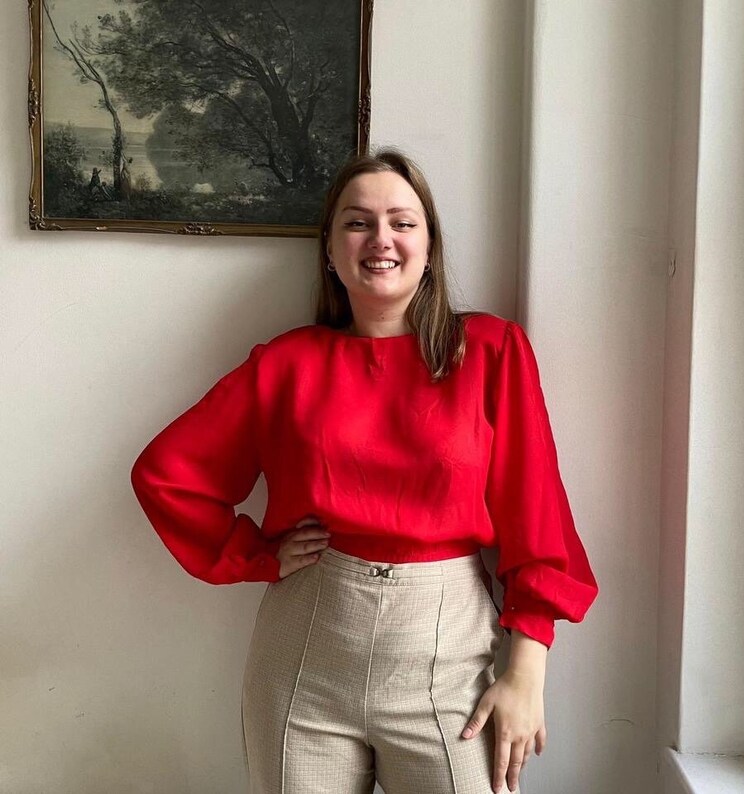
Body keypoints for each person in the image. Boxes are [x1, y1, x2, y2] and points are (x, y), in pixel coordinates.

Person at [130, 148, 598, 794]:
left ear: (429, 247)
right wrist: (254, 555)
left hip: (448, 657)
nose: (381, 238)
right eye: (357, 222)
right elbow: (167, 475)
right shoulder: (286, 365)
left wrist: (527, 672)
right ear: (330, 249)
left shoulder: (491, 352)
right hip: (305, 655)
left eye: (402, 222)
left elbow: (537, 517)